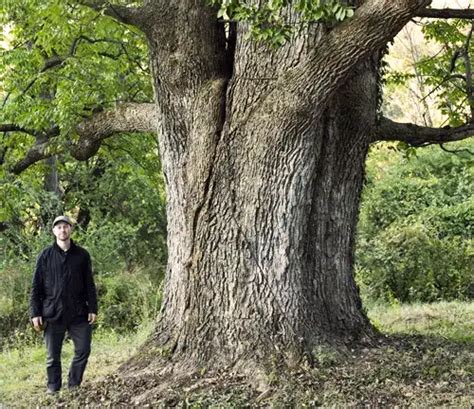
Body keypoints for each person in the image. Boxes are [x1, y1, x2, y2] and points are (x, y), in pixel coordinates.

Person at [30, 215, 98, 394]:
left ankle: (74, 385)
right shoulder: (44, 256)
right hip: (52, 313)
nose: (62, 230)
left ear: (71, 229)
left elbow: (89, 284)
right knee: (53, 357)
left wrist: (93, 308)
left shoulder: (82, 255)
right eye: (59, 227)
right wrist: (35, 313)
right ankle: (53, 387)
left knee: (83, 350)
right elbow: (36, 287)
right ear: (54, 231)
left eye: (65, 226)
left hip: (78, 312)